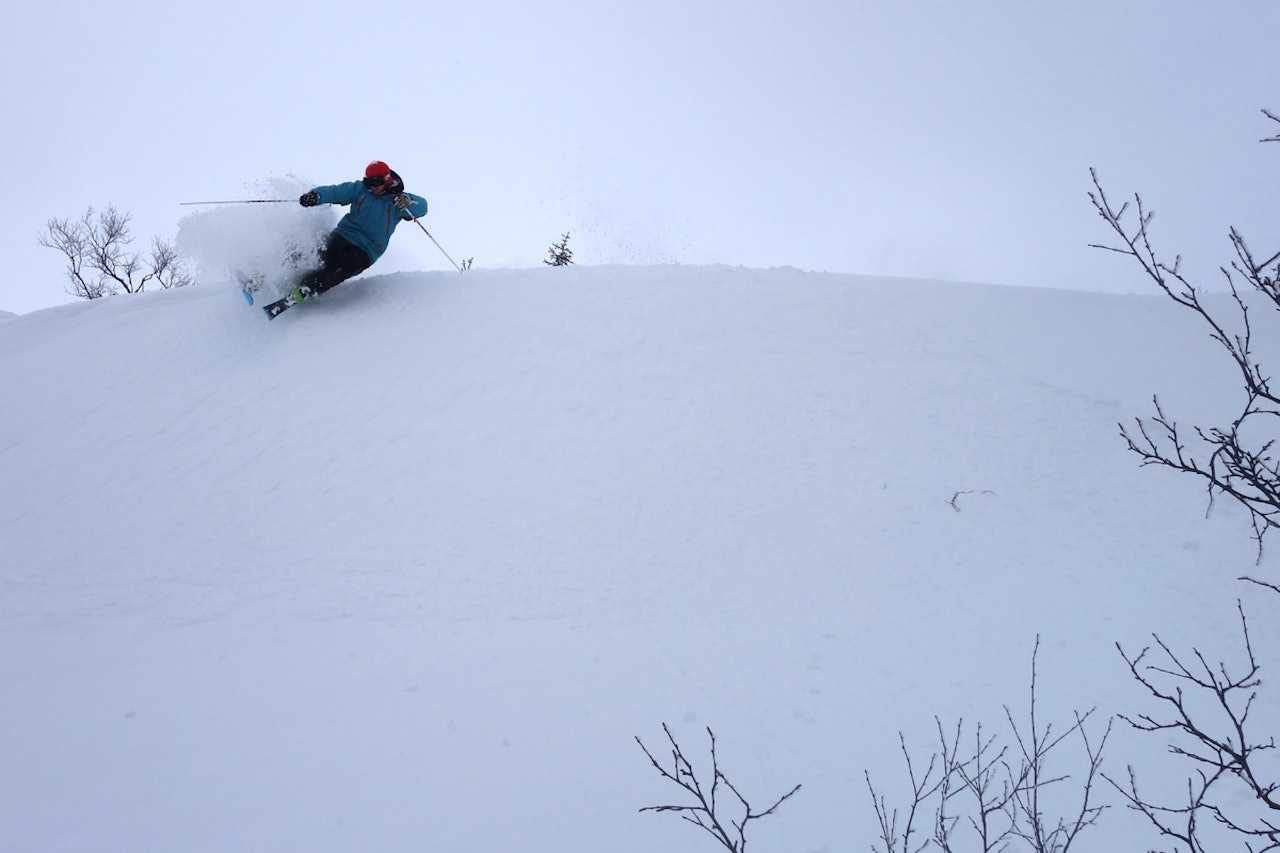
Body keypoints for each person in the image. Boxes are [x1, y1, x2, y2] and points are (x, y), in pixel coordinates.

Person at [290, 160, 429, 302]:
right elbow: (336, 192)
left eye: (376, 183)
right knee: (318, 250)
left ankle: (306, 289)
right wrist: (316, 196)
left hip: (367, 249)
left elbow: (423, 207)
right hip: (343, 235)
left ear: (386, 181)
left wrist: (408, 201)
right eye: (368, 183)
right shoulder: (360, 189)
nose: (372, 187)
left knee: (341, 268)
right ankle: (281, 270)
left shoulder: (397, 201)